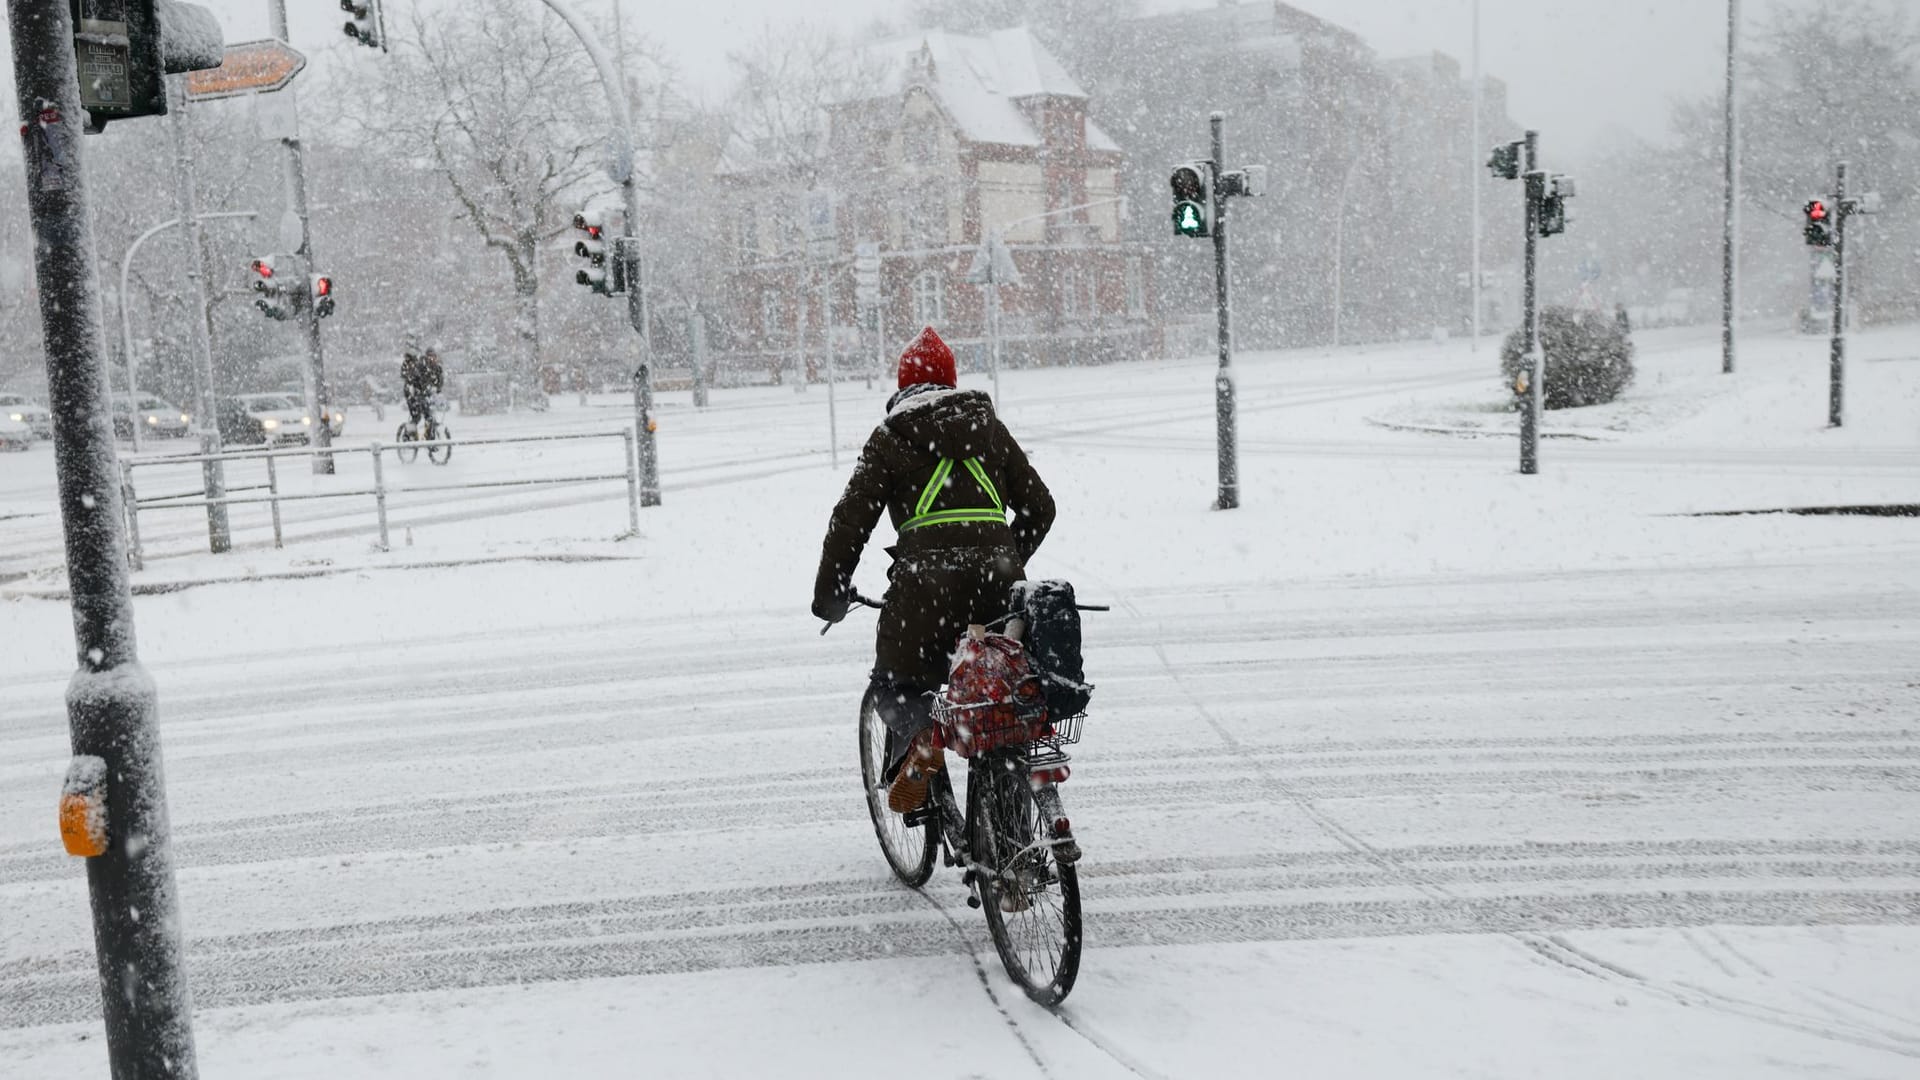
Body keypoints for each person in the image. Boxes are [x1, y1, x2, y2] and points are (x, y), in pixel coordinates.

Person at [812, 327, 1055, 813]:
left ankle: (923, 734)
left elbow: (850, 522)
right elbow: (1040, 507)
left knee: (897, 685)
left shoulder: (891, 436)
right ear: (951, 383)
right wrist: (1005, 563)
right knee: (997, 690)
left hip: (922, 594)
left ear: (903, 388)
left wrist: (832, 594)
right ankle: (1010, 832)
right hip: (996, 588)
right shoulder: (989, 428)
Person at [401, 347, 445, 431]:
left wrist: (438, 390)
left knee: (429, 416)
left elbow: (439, 381)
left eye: (434, 356)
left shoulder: (437, 368)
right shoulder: (421, 365)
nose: (432, 359)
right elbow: (415, 378)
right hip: (414, 393)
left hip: (426, 394)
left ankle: (429, 435)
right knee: (417, 416)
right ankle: (409, 435)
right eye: (430, 356)